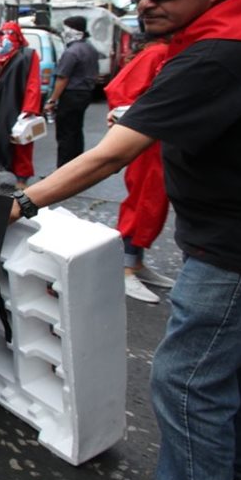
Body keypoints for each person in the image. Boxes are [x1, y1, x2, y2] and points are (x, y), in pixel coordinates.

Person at [1, 0, 241, 480]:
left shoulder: (217, 53)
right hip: (231, 236)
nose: (144, 2)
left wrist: (19, 205)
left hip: (232, 249)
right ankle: (239, 474)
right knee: (236, 367)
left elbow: (109, 156)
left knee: (187, 382)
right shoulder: (226, 40)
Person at [104, 37, 174, 304]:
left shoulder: (169, 51)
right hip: (149, 143)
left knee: (154, 204)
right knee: (144, 201)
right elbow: (119, 91)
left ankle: (135, 262)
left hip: (162, 141)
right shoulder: (158, 53)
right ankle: (125, 266)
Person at [0, 22, 43, 188]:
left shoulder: (28, 55)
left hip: (18, 103)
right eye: (3, 33)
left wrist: (29, 109)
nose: (7, 37)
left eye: (11, 33)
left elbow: (33, 83)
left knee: (20, 143)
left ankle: (21, 179)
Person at [44, 15, 99, 167]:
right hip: (85, 94)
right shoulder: (90, 49)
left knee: (65, 134)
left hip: (71, 94)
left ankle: (63, 170)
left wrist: (52, 100)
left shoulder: (71, 52)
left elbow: (62, 78)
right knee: (76, 131)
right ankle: (76, 166)